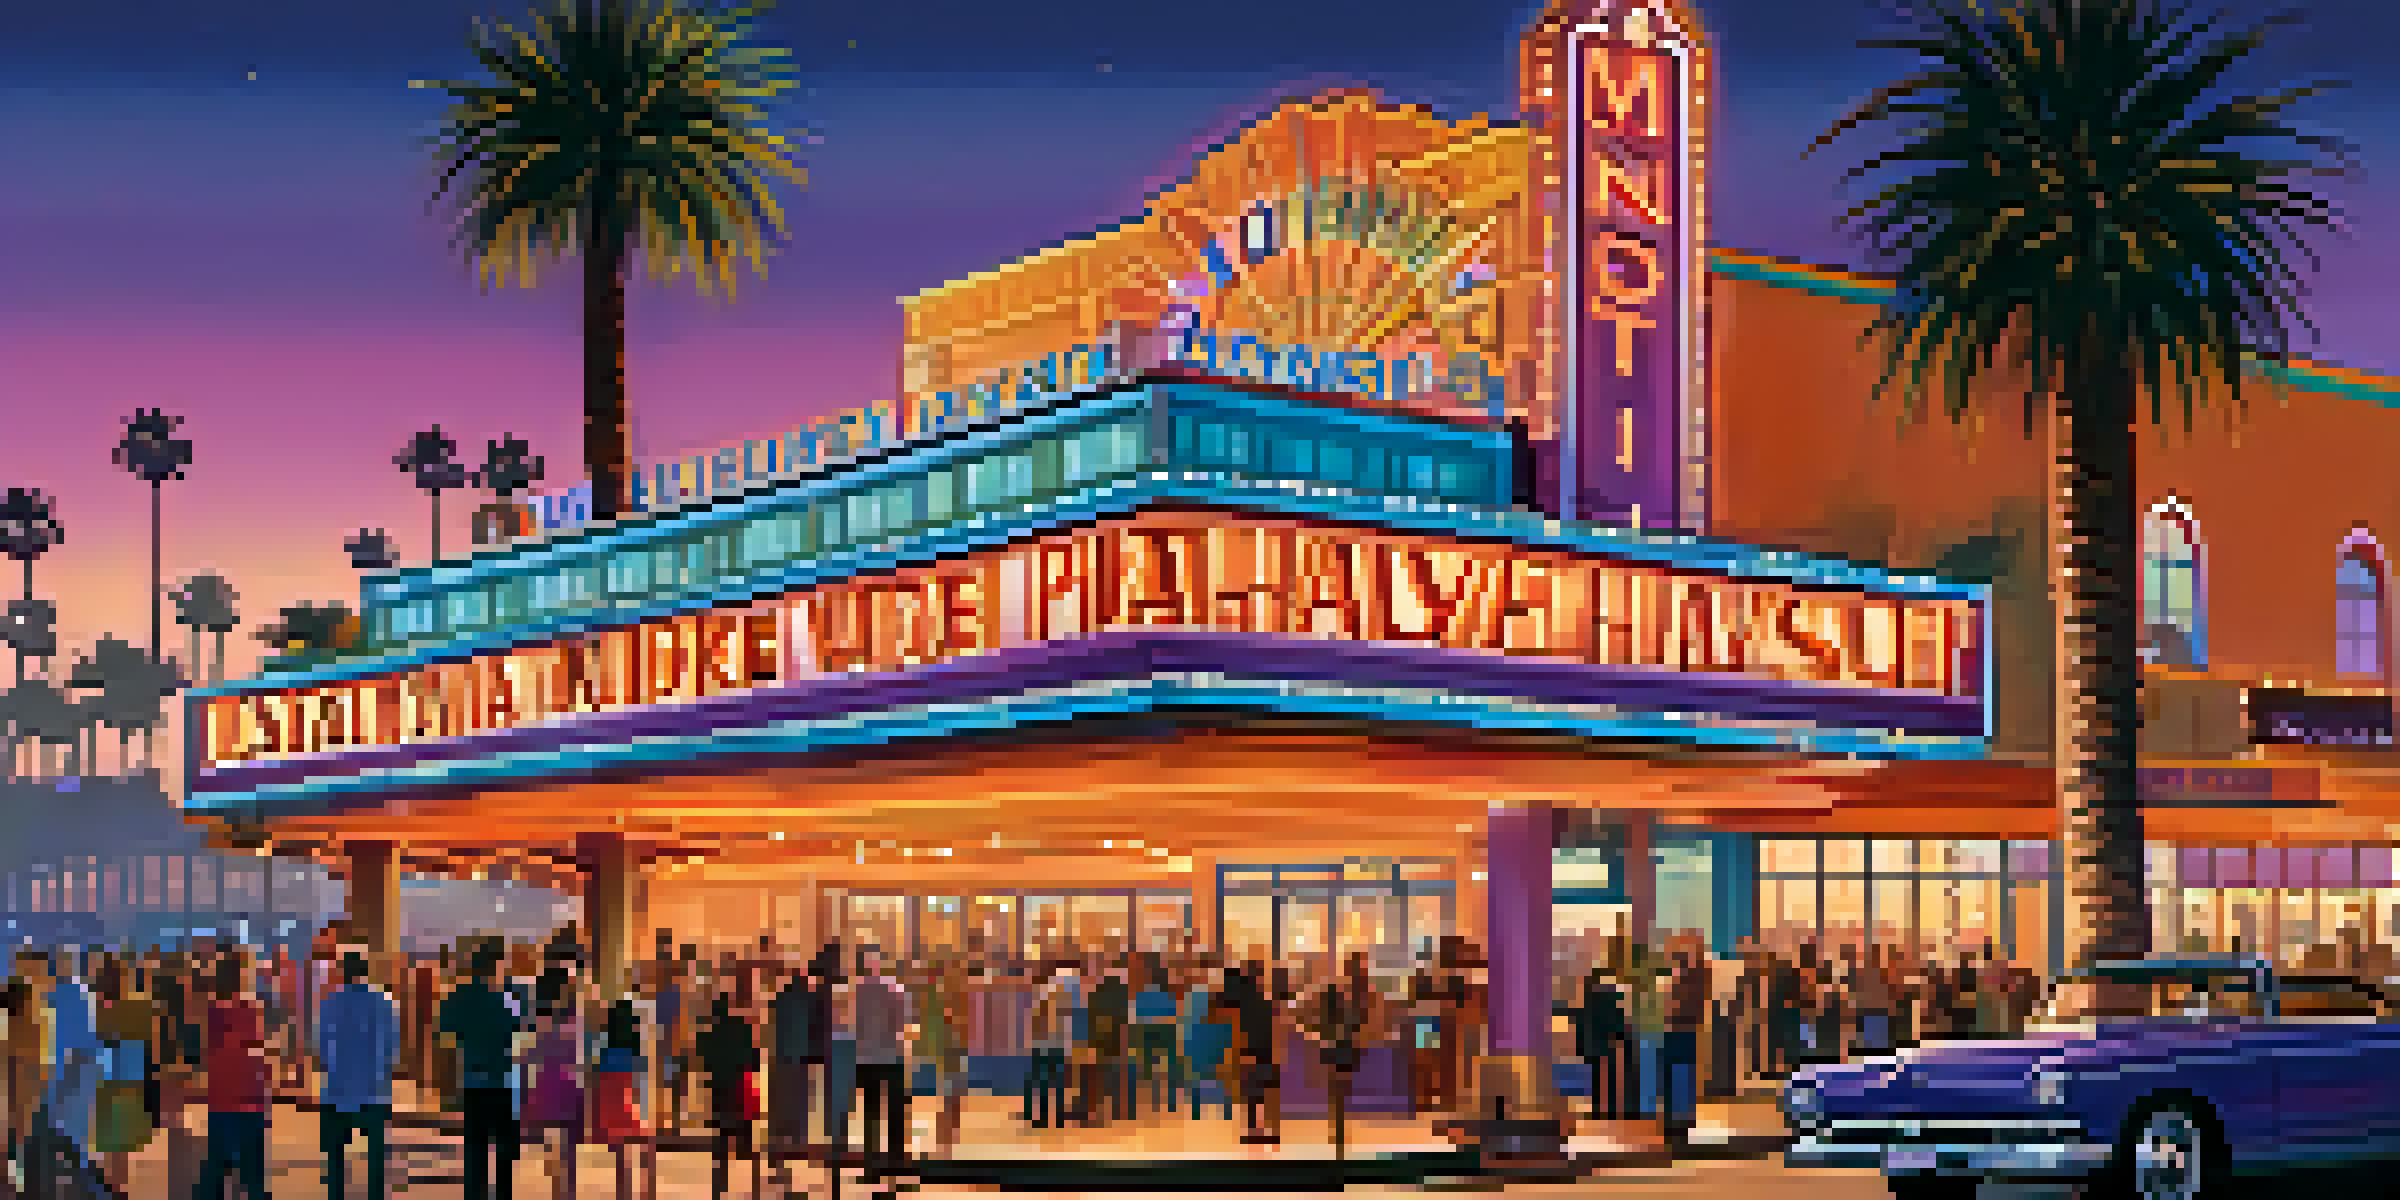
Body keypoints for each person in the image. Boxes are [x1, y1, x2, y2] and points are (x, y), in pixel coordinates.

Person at [440, 942, 524, 1200]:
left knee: (475, 1153)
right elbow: (520, 1037)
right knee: (504, 1155)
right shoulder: (509, 999)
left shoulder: (461, 996)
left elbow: (445, 1028)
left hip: (474, 1082)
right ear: (497, 966)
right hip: (504, 1083)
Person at [317, 949, 398, 1200]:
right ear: (365, 972)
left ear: (344, 973)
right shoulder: (384, 1001)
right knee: (375, 1162)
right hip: (374, 1091)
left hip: (337, 1091)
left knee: (335, 1161)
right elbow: (391, 1048)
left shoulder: (330, 1002)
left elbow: (321, 1047)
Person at [193, 949, 271, 1200]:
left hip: (220, 1099)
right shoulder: (250, 1008)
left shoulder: (211, 1011)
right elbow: (257, 1049)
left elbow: (208, 1051)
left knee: (216, 1170)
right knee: (253, 1175)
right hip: (250, 1098)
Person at [92, 955, 159, 1194]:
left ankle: (111, 1185)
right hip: (131, 1078)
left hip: (107, 1077)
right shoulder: (139, 1005)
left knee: (111, 1141)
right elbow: (151, 1038)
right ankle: (117, 1186)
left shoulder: (97, 1008)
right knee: (120, 1143)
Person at [766, 944, 829, 1193]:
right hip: (799, 1060)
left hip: (781, 1060)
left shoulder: (780, 998)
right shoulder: (810, 999)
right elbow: (817, 1031)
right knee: (797, 1111)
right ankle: (789, 1157)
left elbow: (774, 1029)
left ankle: (778, 1161)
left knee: (779, 1111)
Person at [520, 967, 584, 1200]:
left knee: (552, 1146)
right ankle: (566, 1193)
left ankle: (559, 1189)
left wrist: (525, 1092)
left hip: (545, 1088)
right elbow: (584, 1056)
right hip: (570, 1089)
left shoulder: (538, 1020)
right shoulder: (575, 1018)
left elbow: (529, 1058)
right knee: (568, 1149)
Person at [849, 945, 912, 1181]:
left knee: (872, 1113)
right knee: (895, 1112)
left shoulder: (860, 991)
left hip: (867, 1057)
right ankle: (896, 1161)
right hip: (892, 1055)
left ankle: (871, 1166)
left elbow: (857, 1026)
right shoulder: (896, 988)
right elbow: (902, 1023)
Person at [695, 986, 762, 1199]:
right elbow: (755, 1060)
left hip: (718, 1090)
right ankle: (756, 1184)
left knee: (722, 1138)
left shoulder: (708, 1034)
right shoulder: (742, 1028)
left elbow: (703, 1062)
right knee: (746, 1138)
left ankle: (719, 1184)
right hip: (739, 1087)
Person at [1573, 960, 1627, 1120]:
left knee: (1597, 1078)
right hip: (1606, 1045)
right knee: (1607, 1078)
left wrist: (1580, 1047)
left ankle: (1599, 1110)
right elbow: (1618, 1022)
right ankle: (1608, 1110)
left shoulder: (1588, 1002)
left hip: (1594, 1045)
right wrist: (1619, 1039)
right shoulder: (1609, 1001)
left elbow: (1581, 1024)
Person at [1131, 954, 1179, 1116]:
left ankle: (1154, 1102)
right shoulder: (1167, 994)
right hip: (1164, 1029)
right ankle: (1169, 1103)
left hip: (1148, 1030)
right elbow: (1173, 1014)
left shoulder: (1143, 993)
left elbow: (1137, 1016)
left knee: (1148, 1069)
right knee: (1168, 1068)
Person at [1023, 963, 1070, 1130]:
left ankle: (1037, 1116)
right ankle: (1056, 1117)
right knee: (1054, 1080)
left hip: (1043, 1042)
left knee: (1040, 1080)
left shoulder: (1038, 993)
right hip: (1055, 1042)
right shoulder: (1060, 994)